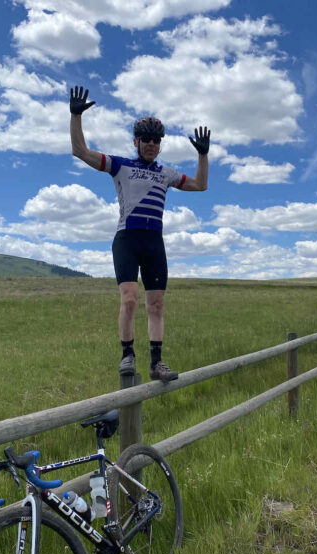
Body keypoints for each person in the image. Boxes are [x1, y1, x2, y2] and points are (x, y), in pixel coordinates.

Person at [70, 86, 210, 383]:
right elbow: (80, 151)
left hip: (154, 242)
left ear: (160, 145)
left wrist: (203, 155)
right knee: (130, 298)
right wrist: (75, 116)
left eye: (156, 140)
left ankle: (157, 363)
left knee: (156, 304)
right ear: (136, 141)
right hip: (127, 240)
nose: (150, 143)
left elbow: (200, 185)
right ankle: (127, 354)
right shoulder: (121, 166)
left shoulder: (166, 173)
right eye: (145, 138)